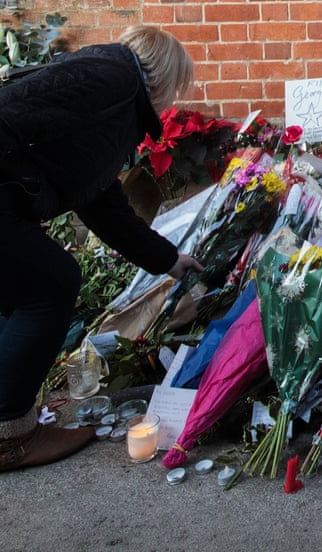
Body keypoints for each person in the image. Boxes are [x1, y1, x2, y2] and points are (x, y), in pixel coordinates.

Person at [0, 24, 203, 472]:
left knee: (24, 287)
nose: (174, 100)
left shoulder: (112, 99)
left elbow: (100, 201)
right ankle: (9, 435)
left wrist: (167, 260)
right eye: (177, 87)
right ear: (164, 75)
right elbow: (15, 108)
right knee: (50, 283)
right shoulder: (112, 79)